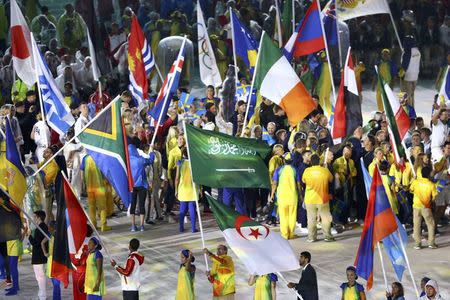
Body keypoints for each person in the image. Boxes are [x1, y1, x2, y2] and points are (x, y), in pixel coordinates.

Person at [302, 154, 334, 242]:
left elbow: (303, 181)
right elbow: (331, 179)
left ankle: (311, 237)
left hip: (310, 199)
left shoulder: (306, 171)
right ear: (319, 161)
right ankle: (327, 236)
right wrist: (325, 168)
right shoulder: (324, 170)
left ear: (311, 162)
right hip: (323, 198)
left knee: (311, 219)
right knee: (326, 219)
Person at [270, 152, 301, 239]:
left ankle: (284, 234)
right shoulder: (295, 170)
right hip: (293, 197)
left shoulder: (279, 170)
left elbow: (274, 183)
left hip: (282, 197)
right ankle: (291, 234)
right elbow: (298, 185)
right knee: (292, 215)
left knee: (283, 216)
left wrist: (272, 195)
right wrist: (301, 195)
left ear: (284, 160)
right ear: (292, 161)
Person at [128, 137, 155, 232]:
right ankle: (142, 225)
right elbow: (150, 161)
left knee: (133, 205)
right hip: (142, 184)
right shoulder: (140, 159)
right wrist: (151, 152)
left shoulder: (127, 161)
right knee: (142, 205)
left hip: (132, 185)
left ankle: (132, 225)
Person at [410, 166, 438, 249]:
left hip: (416, 206)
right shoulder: (431, 185)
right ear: (429, 174)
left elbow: (411, 190)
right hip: (426, 207)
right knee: (430, 224)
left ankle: (417, 244)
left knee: (416, 225)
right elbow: (434, 197)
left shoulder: (415, 182)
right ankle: (431, 243)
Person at [175, 147, 198, 233]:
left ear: (183, 154)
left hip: (183, 188)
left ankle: (181, 227)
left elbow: (177, 178)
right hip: (193, 188)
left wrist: (176, 190)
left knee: (182, 210)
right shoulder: (194, 163)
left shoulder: (180, 163)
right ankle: (193, 228)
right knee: (192, 209)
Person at [28, 210, 49, 300]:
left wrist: (29, 236)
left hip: (38, 256)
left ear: (39, 217)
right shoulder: (44, 227)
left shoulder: (39, 229)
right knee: (40, 276)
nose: (33, 218)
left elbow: (36, 243)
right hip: (41, 256)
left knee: (40, 277)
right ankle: (41, 293)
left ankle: (42, 296)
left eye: (34, 217)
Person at [42, 221, 61, 300]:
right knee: (54, 283)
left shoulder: (60, 236)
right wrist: (45, 253)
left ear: (53, 227)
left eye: (49, 227)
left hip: (57, 261)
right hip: (50, 261)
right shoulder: (49, 235)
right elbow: (42, 243)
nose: (48, 228)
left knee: (57, 284)